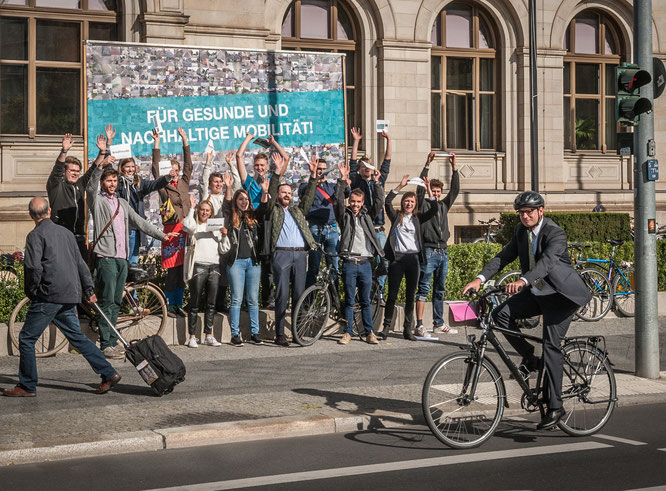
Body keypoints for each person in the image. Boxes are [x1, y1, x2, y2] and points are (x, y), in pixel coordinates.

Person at [462, 191, 592, 431]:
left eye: (529, 212)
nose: (524, 216)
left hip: (562, 296)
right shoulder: (521, 232)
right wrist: (479, 279)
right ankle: (530, 358)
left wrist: (523, 281)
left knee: (552, 346)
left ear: (541, 210)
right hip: (538, 292)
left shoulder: (555, 233)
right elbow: (503, 257)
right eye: (521, 212)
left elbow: (547, 263)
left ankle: (556, 407)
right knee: (499, 314)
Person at [2, 197, 121, 397]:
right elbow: (80, 264)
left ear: (31, 215)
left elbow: (32, 267)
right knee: (77, 337)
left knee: (26, 338)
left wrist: (32, 291)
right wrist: (89, 290)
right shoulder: (66, 233)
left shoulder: (35, 235)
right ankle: (108, 373)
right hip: (70, 294)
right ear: (49, 211)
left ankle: (27, 385)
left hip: (49, 295)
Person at [88, 164, 177, 359]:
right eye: (108, 180)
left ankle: (112, 340)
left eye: (114, 181)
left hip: (122, 258)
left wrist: (162, 236)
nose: (112, 184)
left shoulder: (121, 202)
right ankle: (106, 344)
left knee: (117, 302)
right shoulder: (97, 201)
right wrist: (99, 164)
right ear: (103, 183)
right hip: (106, 257)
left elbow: (141, 222)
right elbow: (90, 187)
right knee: (107, 301)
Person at [261, 154, 318, 347]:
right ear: (277, 195)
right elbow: (268, 204)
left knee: (299, 295)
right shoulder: (274, 210)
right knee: (282, 294)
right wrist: (276, 172)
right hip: (282, 254)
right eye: (283, 192)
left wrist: (312, 177)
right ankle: (279, 334)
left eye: (289, 193)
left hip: (300, 255)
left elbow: (309, 199)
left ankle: (296, 332)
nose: (287, 195)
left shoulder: (297, 211)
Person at [379, 175, 438, 341]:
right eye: (406, 201)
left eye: (412, 202)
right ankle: (386, 327)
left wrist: (428, 189)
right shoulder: (396, 216)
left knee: (410, 296)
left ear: (415, 204)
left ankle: (407, 329)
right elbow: (387, 202)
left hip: (413, 260)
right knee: (392, 294)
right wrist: (400, 186)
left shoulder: (418, 218)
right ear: (403, 202)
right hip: (397, 259)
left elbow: (434, 209)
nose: (409, 204)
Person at [236, 133, 290, 308]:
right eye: (257, 165)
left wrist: (273, 142)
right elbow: (238, 156)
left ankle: (267, 300)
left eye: (262, 165)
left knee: (267, 265)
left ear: (267, 167)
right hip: (252, 223)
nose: (259, 168)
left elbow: (286, 158)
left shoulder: (273, 180)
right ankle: (246, 301)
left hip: (269, 224)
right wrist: (248, 138)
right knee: (250, 262)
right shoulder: (249, 182)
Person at [334, 162, 385, 345]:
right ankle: (347, 332)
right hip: (349, 262)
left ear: (362, 203)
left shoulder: (367, 216)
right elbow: (338, 201)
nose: (355, 205)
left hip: (365, 264)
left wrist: (377, 183)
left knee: (365, 300)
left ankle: (369, 332)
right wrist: (342, 180)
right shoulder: (344, 216)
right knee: (348, 300)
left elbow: (379, 203)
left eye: (358, 202)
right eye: (353, 202)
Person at [106, 125, 170, 266]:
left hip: (135, 230)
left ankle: (131, 289)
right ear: (121, 168)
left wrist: (167, 177)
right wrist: (108, 144)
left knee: (133, 264)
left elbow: (155, 184)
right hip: (121, 228)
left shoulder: (139, 183)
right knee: (122, 263)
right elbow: (108, 171)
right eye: (127, 166)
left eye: (132, 167)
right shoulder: (118, 183)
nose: (130, 169)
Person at [46, 127, 111, 259]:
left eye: (78, 171)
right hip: (61, 237)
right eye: (72, 170)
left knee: (83, 274)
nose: (76, 173)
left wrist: (102, 152)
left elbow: (92, 170)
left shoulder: (80, 184)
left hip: (79, 238)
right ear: (65, 172)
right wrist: (64, 151)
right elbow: (58, 168)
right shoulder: (56, 185)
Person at [414, 151, 460, 337]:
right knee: (424, 287)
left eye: (439, 192)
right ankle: (419, 325)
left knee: (439, 289)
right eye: (434, 191)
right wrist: (427, 163)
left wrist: (454, 167)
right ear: (430, 191)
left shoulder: (443, 205)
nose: (437, 194)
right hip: (430, 250)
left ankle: (438, 324)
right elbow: (419, 190)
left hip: (443, 252)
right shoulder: (424, 204)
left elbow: (455, 190)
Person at [151, 127, 192, 317]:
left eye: (176, 170)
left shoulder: (183, 183)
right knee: (172, 272)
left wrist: (185, 140)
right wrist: (156, 144)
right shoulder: (163, 186)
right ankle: (169, 305)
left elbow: (189, 165)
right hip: (171, 232)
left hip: (185, 231)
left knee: (182, 272)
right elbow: (155, 169)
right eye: (171, 171)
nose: (174, 173)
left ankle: (178, 305)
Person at [221, 172, 265, 346]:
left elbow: (264, 207)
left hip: (253, 263)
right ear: (236, 201)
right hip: (236, 263)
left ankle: (255, 333)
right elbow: (226, 204)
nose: (244, 202)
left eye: (246, 199)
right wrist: (229, 187)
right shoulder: (231, 218)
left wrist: (265, 191)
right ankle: (235, 334)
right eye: (241, 199)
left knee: (253, 299)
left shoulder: (253, 217)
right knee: (237, 299)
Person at [349, 127, 392, 293]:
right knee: (363, 261)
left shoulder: (378, 179)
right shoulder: (356, 180)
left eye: (369, 165)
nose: (367, 168)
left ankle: (378, 291)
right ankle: (364, 290)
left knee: (384, 261)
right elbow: (352, 164)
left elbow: (387, 160)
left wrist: (388, 139)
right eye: (364, 166)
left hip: (379, 228)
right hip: (363, 227)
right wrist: (356, 141)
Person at [201, 151, 242, 313]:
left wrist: (231, 165)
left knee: (224, 274)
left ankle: (220, 304)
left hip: (225, 241)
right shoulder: (207, 198)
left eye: (220, 182)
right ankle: (207, 304)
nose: (218, 184)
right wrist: (208, 163)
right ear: (211, 185)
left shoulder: (227, 198)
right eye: (215, 182)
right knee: (210, 274)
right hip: (210, 242)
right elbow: (203, 183)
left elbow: (237, 185)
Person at [182, 196, 224, 348]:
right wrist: (191, 208)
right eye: (202, 210)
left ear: (211, 213)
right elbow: (187, 226)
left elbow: (225, 248)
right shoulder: (195, 225)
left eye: (207, 210)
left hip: (214, 266)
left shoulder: (216, 227)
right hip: (198, 265)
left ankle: (209, 335)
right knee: (194, 302)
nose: (205, 213)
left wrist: (224, 234)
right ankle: (192, 336)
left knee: (211, 304)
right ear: (198, 211)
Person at [299, 158, 348, 289]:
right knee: (313, 266)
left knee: (333, 267)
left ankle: (333, 302)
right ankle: (308, 303)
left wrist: (344, 178)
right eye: (319, 169)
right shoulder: (307, 185)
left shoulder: (332, 186)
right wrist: (313, 177)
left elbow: (345, 193)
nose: (321, 171)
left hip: (332, 230)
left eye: (323, 169)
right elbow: (302, 193)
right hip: (315, 229)